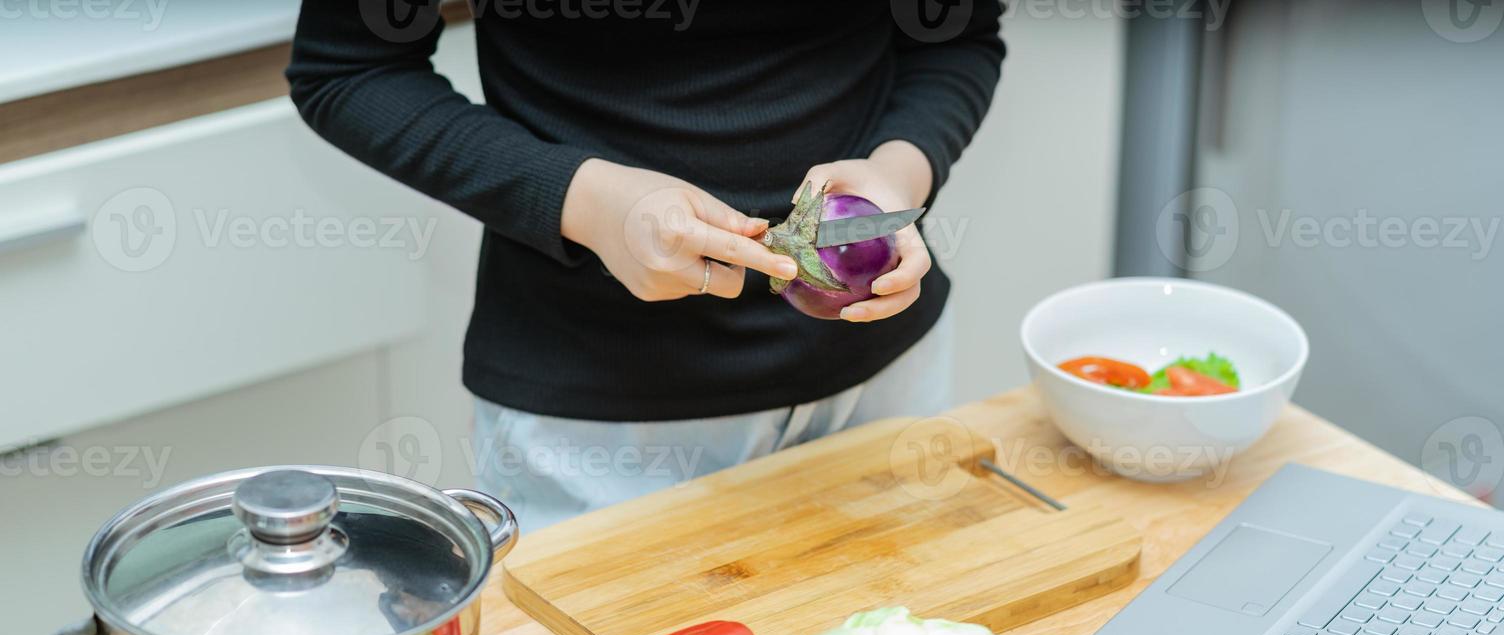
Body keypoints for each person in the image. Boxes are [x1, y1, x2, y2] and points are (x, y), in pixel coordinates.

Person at [288, 1, 1005, 529]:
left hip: (883, 381)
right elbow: (348, 68)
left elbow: (955, 34)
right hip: (599, 424)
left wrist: (898, 174)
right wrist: (586, 201)